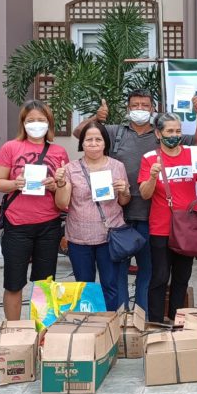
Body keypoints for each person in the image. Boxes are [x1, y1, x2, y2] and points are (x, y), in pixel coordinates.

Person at [73, 89, 197, 312]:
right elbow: (81, 133)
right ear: (128, 109)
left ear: (153, 109)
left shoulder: (164, 132)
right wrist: (97, 118)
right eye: (135, 105)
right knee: (118, 273)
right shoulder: (116, 131)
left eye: (145, 106)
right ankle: (123, 316)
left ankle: (142, 317)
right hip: (119, 217)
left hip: (151, 217)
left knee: (149, 272)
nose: (140, 110)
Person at [138, 113, 197, 324]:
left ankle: (178, 321)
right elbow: (145, 193)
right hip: (161, 228)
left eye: (178, 131)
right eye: (169, 131)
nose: (174, 135)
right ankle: (155, 322)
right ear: (158, 133)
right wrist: (153, 176)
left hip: (188, 228)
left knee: (182, 278)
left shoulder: (193, 154)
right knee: (160, 277)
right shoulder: (149, 158)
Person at [0, 101, 70, 321]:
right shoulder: (11, 148)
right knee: (14, 283)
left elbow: (64, 188)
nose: (36, 124)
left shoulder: (59, 151)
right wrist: (15, 184)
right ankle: (15, 331)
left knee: (45, 283)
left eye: (41, 120)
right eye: (31, 120)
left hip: (49, 225)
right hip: (17, 225)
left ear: (49, 123)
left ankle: (41, 332)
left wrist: (55, 185)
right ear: (23, 124)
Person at [54, 122, 131, 311]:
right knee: (85, 287)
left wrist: (124, 191)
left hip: (109, 235)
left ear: (105, 142)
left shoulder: (117, 166)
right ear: (82, 143)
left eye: (98, 139)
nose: (94, 143)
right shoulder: (71, 168)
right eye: (89, 139)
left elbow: (124, 201)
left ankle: (110, 329)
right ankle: (89, 330)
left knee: (110, 286)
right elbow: (61, 203)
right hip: (79, 237)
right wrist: (62, 184)